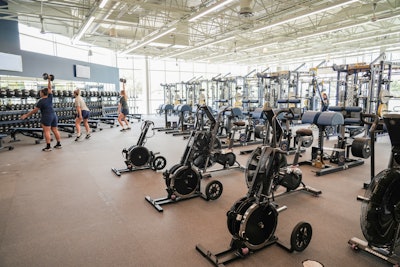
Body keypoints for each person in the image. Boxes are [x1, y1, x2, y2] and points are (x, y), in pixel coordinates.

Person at [20, 74, 62, 151]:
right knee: (55, 130)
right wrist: (49, 80)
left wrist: (26, 115)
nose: (39, 93)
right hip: (54, 115)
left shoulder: (41, 101)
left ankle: (48, 147)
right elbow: (50, 88)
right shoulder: (50, 98)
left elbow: (35, 110)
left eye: (40, 92)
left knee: (47, 131)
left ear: (43, 93)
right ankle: (59, 144)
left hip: (47, 116)